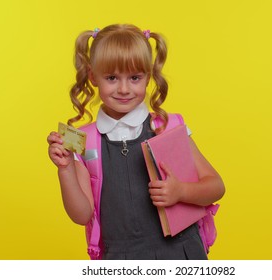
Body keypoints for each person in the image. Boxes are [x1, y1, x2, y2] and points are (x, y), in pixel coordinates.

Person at [47, 24, 225, 260]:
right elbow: (81, 214)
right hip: (121, 258)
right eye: (111, 77)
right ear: (93, 76)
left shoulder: (167, 127)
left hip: (180, 253)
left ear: (148, 77)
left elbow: (216, 187)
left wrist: (181, 191)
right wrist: (66, 169)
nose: (123, 89)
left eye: (134, 78)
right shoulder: (84, 141)